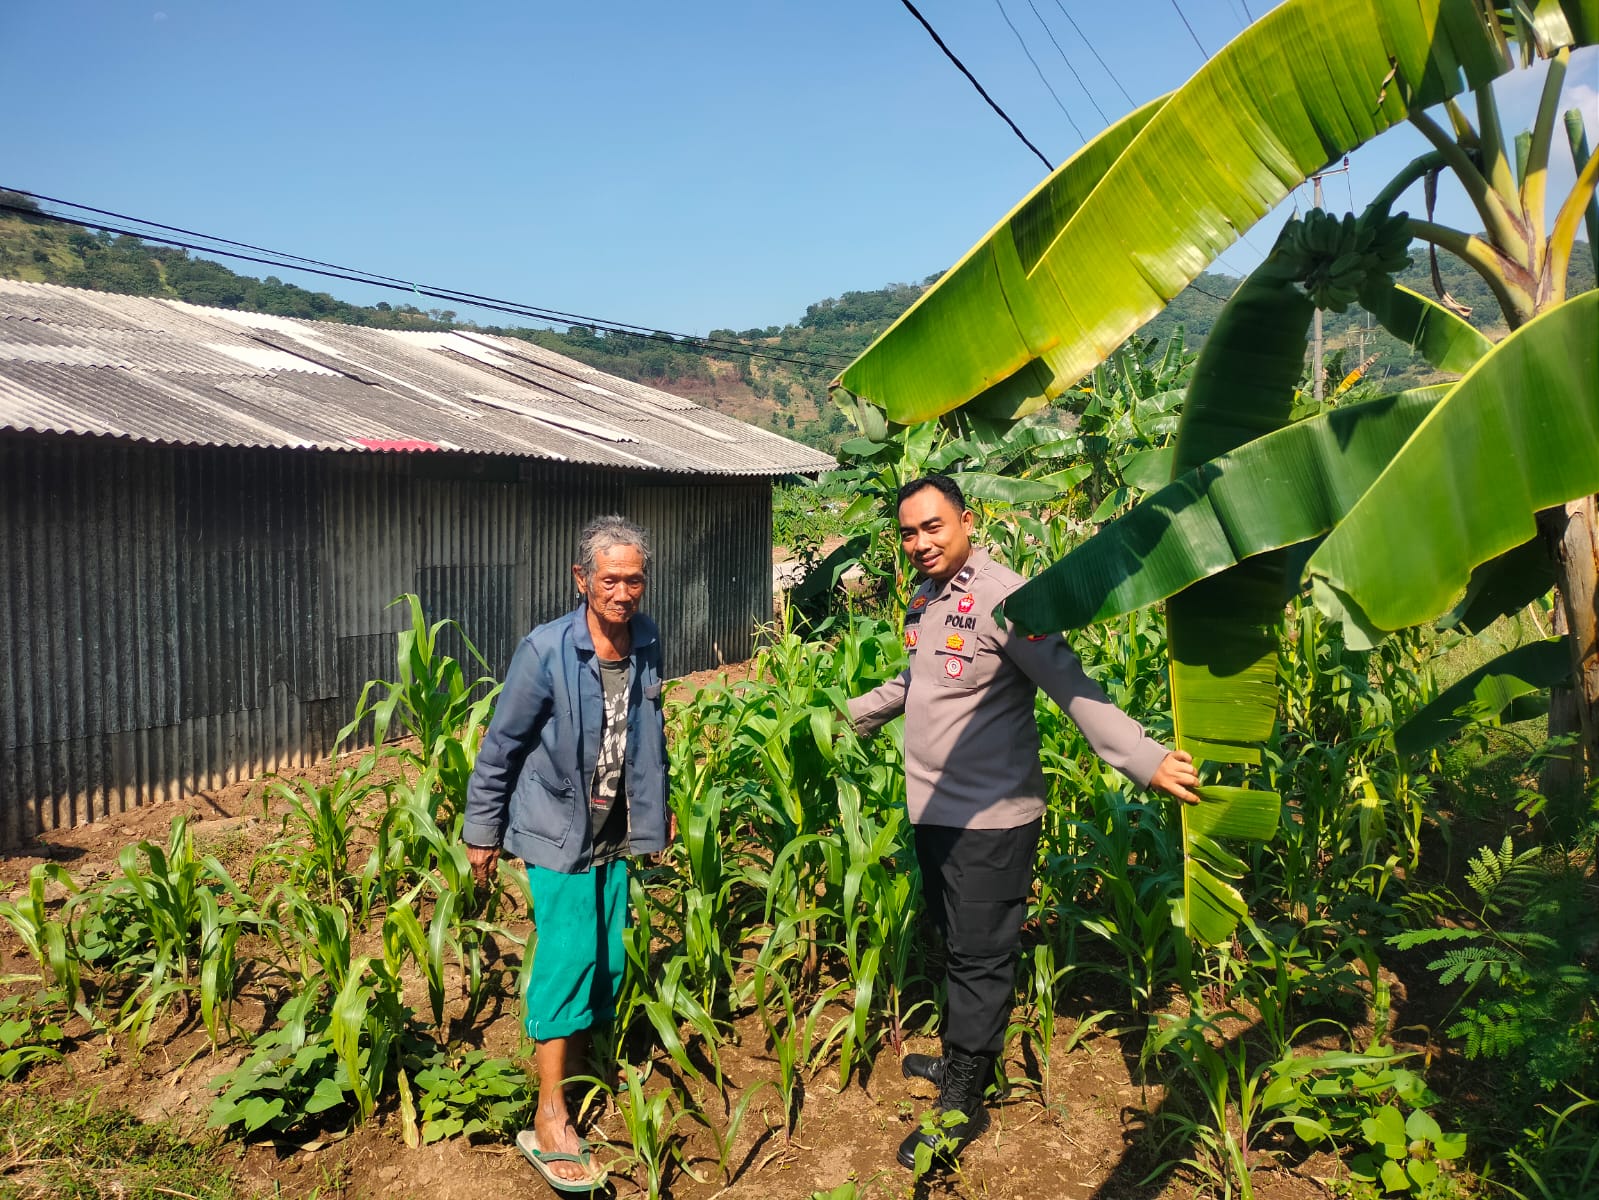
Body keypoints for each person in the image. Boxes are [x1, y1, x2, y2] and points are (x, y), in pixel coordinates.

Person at [845, 475, 1200, 1171]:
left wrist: (1145, 758)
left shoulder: (1007, 599)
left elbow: (1069, 684)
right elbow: (920, 680)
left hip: (991, 818)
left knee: (981, 957)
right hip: (934, 809)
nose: (920, 542)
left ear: (966, 521)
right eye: (909, 532)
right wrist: (849, 716)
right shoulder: (927, 597)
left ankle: (963, 1102)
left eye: (933, 527)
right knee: (958, 943)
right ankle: (966, 1060)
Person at [463, 514, 671, 1193]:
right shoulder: (546, 650)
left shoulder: (646, 641)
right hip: (556, 828)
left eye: (634, 579)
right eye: (610, 579)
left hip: (614, 828)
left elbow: (649, 734)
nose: (623, 592)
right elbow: (502, 745)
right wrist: (482, 831)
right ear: (582, 579)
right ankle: (548, 1115)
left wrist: (658, 808)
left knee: (606, 958)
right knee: (570, 957)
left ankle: (576, 1076)